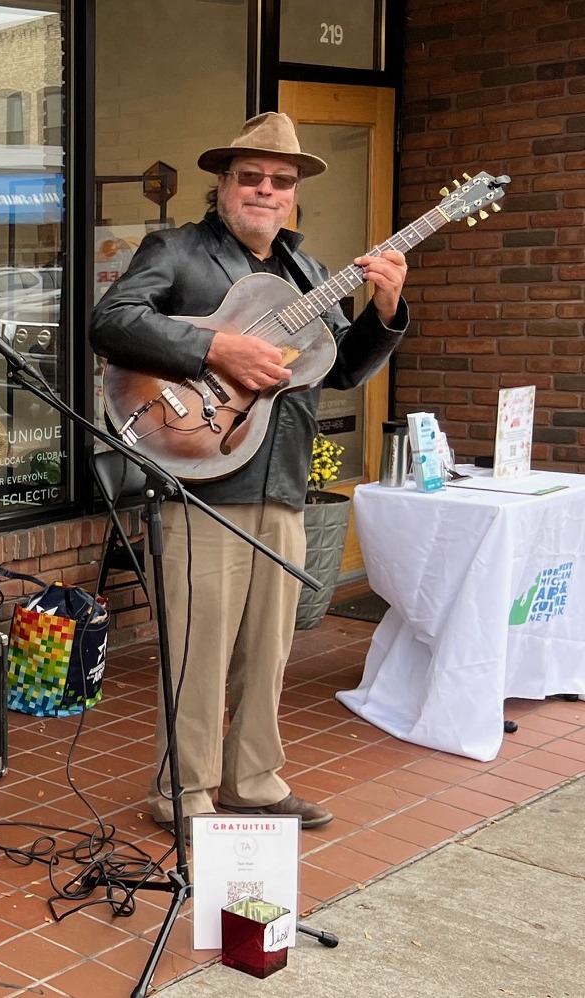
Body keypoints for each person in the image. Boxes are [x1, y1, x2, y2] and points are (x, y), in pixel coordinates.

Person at [89, 112, 409, 837]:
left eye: (281, 181)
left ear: (294, 196)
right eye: (251, 176)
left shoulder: (309, 272)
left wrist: (386, 310)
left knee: (270, 650)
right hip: (200, 481)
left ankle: (254, 782)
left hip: (282, 481)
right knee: (199, 649)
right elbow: (112, 322)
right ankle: (184, 793)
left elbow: (344, 369)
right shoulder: (176, 250)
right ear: (223, 185)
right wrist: (216, 350)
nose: (266, 189)